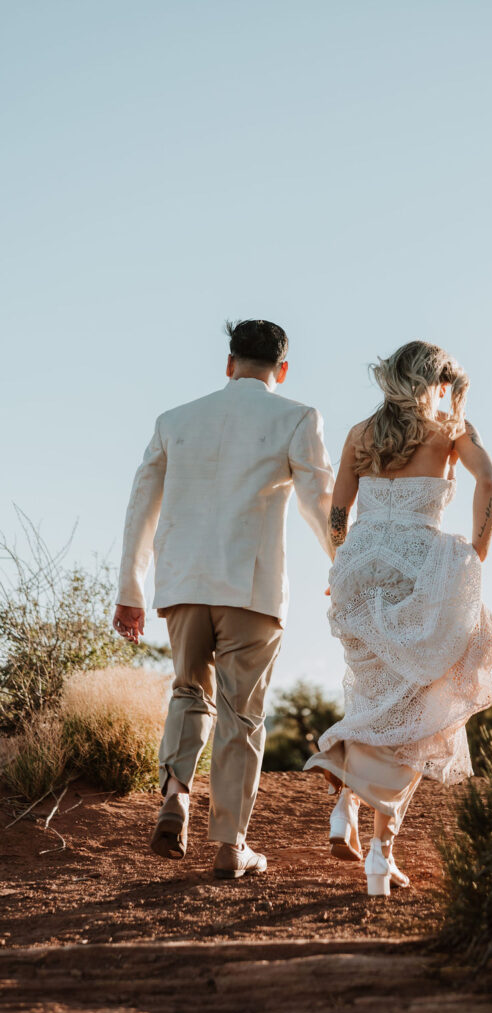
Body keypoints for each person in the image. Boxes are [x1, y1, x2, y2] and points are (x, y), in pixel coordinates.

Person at [113, 319, 334, 879]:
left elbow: (141, 504)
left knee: (188, 692)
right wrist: (343, 564)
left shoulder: (174, 420)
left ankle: (177, 794)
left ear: (229, 362)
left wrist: (130, 591)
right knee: (242, 715)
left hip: (183, 585)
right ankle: (231, 846)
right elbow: (319, 501)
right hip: (252, 590)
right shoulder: (296, 417)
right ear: (281, 370)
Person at [304, 340, 492, 896]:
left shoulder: (359, 434)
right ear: (435, 382)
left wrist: (342, 561)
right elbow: (489, 481)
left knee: (376, 697)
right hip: (418, 568)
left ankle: (345, 802)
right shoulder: (451, 430)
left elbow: (339, 512)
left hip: (360, 568)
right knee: (419, 710)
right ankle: (379, 855)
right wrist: (476, 553)